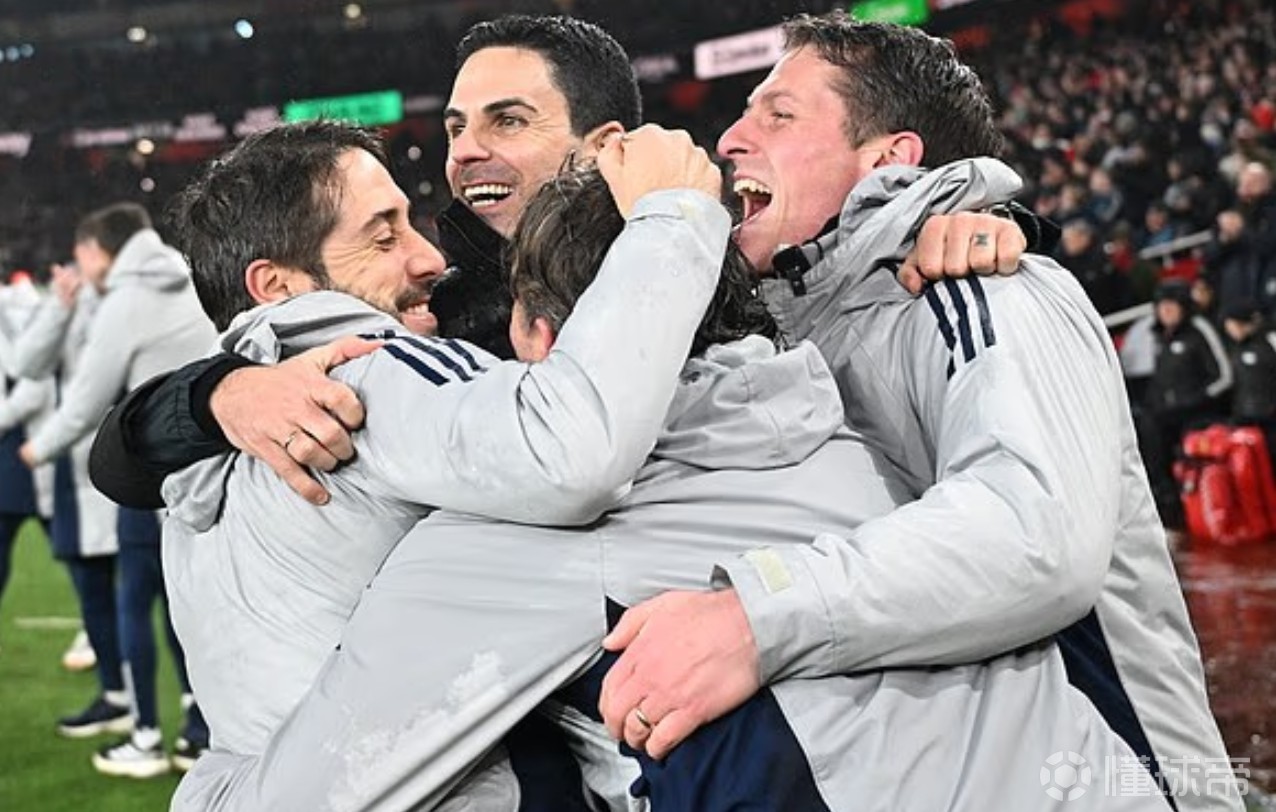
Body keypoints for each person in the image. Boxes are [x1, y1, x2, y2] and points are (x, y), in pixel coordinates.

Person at [174, 165, 1165, 812]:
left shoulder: (517, 538)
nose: (429, 254)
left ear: (540, 339)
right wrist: (202, 398)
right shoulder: (858, 420)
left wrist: (208, 781)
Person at [591, 14, 1238, 807]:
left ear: (887, 159)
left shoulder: (981, 291)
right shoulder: (792, 328)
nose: (728, 139)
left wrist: (755, 618)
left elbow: (1034, 534)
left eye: (779, 114)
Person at [88, 14, 1034, 513]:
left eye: (508, 121)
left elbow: (832, 263)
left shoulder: (704, 254)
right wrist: (217, 395)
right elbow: (119, 463)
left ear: (605, 145)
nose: (466, 152)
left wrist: (973, 221)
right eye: (456, 127)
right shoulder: (427, 292)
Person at [155, 118, 734, 807]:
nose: (429, 257)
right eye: (383, 237)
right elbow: (572, 452)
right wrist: (674, 218)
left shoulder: (196, 447)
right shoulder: (363, 372)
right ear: (276, 285)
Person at [20, 202, 217, 777]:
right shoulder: (193, 278)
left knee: (134, 604)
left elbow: (84, 402)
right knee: (188, 609)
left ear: (96, 249)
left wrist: (38, 448)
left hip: (148, 473)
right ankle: (200, 730)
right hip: (211, 475)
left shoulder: (124, 302)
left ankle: (145, 736)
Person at [7, 258, 131, 741]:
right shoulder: (67, 306)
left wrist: (42, 446)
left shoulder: (112, 306)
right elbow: (28, 367)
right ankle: (128, 702)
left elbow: (54, 391)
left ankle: (154, 716)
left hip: (87, 462)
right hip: (83, 466)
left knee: (130, 589)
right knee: (106, 585)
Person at [1141, 278, 1233, 526]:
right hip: (1166, 415)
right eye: (1161, 307)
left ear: (1183, 307)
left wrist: (1199, 399)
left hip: (1198, 414)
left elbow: (1224, 375)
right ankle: (1173, 515)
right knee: (1156, 458)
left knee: (1192, 463)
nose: (1166, 312)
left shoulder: (1199, 329)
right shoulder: (1158, 336)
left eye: (1171, 306)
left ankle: (1205, 515)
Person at [1221, 299, 1276, 463]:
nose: (1229, 329)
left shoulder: (1270, 340)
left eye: (1231, 324)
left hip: (1270, 418)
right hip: (1243, 417)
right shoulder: (1232, 347)